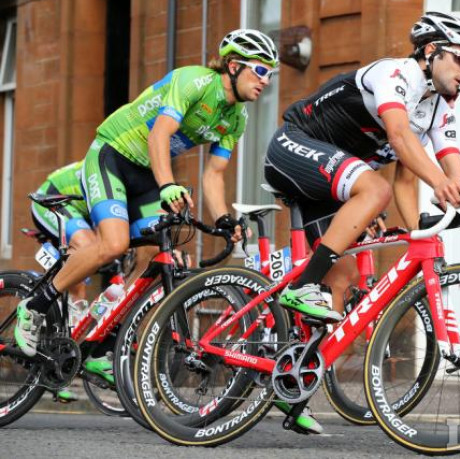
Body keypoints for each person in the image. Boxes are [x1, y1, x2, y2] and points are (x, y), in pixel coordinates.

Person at [14, 29, 276, 357]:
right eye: (262, 70)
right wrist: (167, 186)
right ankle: (35, 306)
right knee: (113, 243)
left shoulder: (237, 118)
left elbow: (214, 173)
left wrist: (223, 218)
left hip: (146, 175)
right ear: (234, 66)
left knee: (156, 254)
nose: (266, 81)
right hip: (113, 155)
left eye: (271, 74)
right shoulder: (194, 81)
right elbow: (159, 135)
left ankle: (100, 330)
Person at [263, 11, 460, 324]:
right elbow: (399, 136)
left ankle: (303, 365)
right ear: (432, 50)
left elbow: (448, 178)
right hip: (292, 145)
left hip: (327, 186)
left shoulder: (435, 110)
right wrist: (439, 182)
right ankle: (302, 285)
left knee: (342, 280)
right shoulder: (396, 74)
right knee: (376, 188)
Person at [30, 160, 95, 302]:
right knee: (87, 246)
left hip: (80, 208)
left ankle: (72, 316)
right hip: (53, 197)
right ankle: (43, 301)